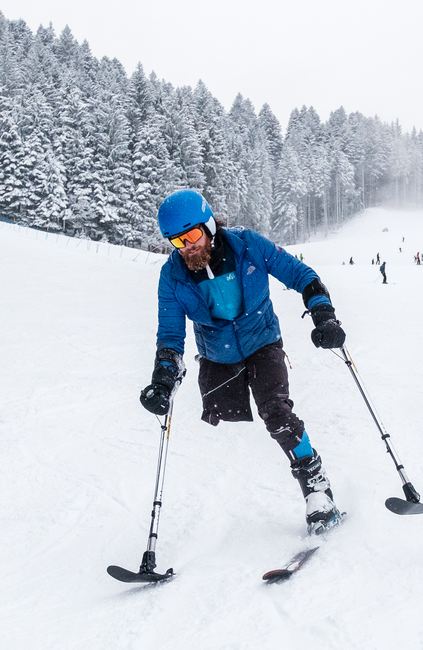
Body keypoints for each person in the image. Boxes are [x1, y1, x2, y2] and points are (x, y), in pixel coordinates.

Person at [139, 189, 346, 535]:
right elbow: (171, 336)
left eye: (192, 236)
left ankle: (317, 489)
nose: (188, 246)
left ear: (209, 226)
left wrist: (323, 314)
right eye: (178, 241)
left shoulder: (248, 246)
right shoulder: (172, 276)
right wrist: (163, 380)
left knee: (276, 413)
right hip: (218, 356)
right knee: (221, 418)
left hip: (262, 340)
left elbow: (301, 275)